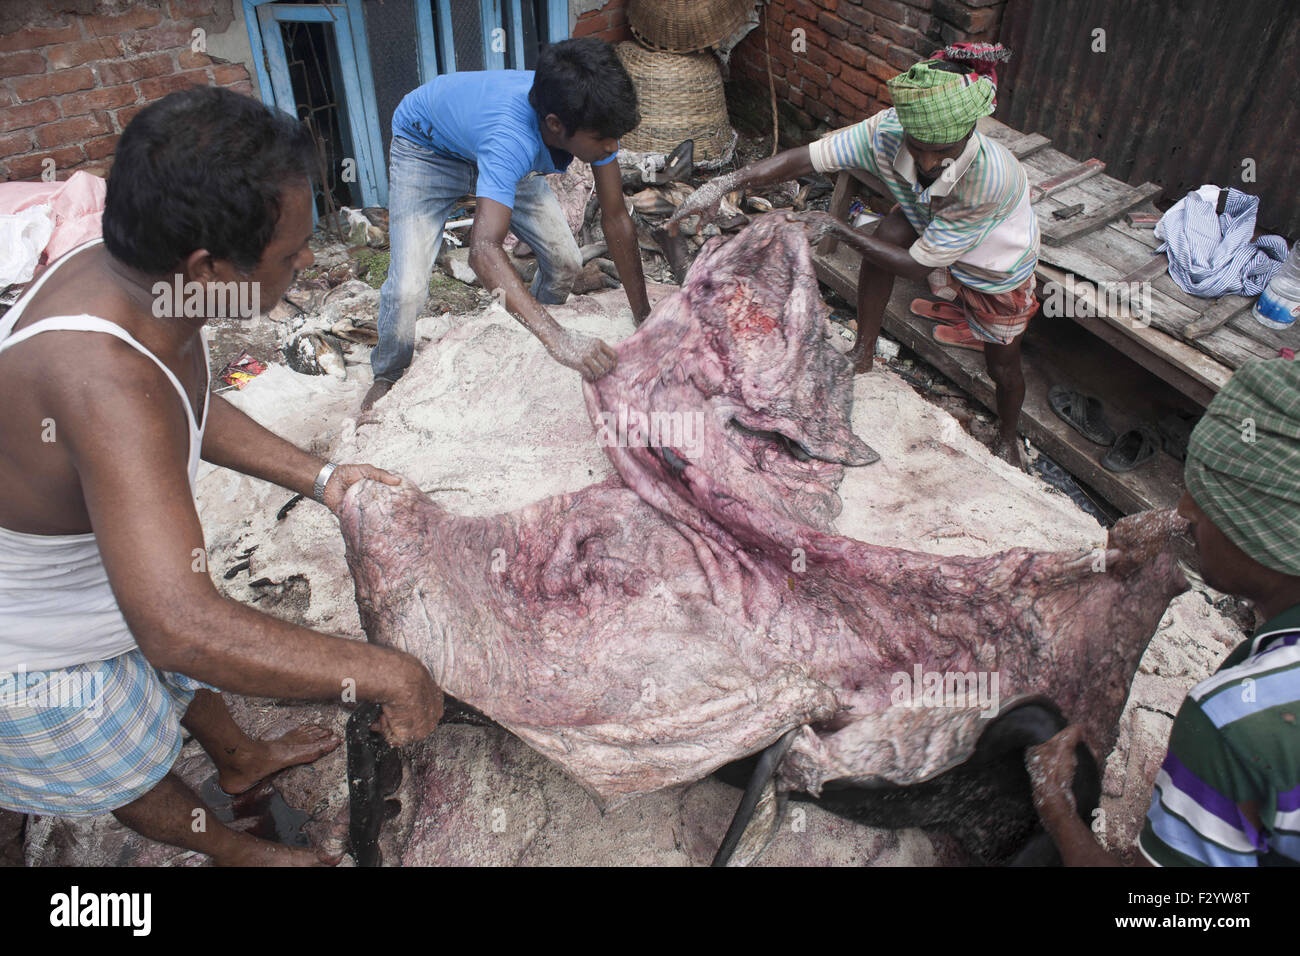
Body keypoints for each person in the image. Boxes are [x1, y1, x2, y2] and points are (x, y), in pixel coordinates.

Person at [0, 87, 442, 866]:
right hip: (32, 652)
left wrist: (324, 477)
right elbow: (178, 628)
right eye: (290, 254)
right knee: (126, 771)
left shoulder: (140, 282)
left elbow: (187, 403)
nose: (306, 264)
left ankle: (240, 757)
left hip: (104, 584)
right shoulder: (99, 376)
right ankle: (241, 855)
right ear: (209, 265)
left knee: (176, 670)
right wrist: (390, 674)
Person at [668, 47, 1039, 469]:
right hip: (930, 220)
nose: (931, 162)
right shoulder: (886, 131)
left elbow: (918, 266)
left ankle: (1008, 436)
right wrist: (727, 182)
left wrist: (839, 228)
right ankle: (863, 350)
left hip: (994, 266)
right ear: (905, 131)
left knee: (1002, 363)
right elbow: (805, 157)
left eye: (944, 150)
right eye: (919, 148)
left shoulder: (989, 180)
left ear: (971, 130)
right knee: (889, 233)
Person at [1027, 357, 1300, 865]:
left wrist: (1058, 809)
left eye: (1208, 503)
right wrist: (1175, 524)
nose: (1188, 512)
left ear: (1270, 540)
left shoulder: (1235, 721)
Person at [361, 37, 650, 412]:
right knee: (407, 289)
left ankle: (529, 334)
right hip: (428, 149)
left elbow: (615, 216)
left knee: (566, 262)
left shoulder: (586, 112)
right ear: (555, 125)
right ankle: (388, 373)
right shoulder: (510, 137)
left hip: (499, 152)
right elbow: (482, 251)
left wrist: (643, 316)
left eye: (616, 138)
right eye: (603, 140)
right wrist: (561, 339)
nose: (613, 147)